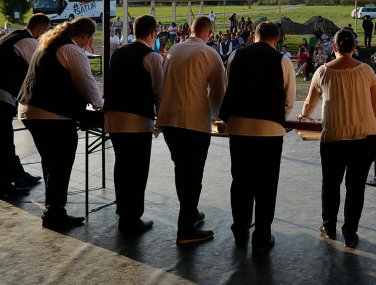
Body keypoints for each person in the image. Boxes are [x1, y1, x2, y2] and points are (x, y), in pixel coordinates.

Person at [17, 17, 104, 229]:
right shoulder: (72, 50)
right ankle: (54, 213)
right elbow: (87, 84)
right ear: (85, 36)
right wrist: (100, 104)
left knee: (50, 163)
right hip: (52, 114)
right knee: (60, 166)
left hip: (29, 110)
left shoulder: (46, 44)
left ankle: (52, 210)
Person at [298, 29, 376, 248]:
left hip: (333, 137)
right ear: (354, 47)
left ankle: (329, 227)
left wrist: (304, 116)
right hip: (366, 137)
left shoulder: (322, 72)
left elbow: (309, 104)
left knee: (331, 184)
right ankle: (350, 234)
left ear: (333, 47)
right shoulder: (367, 70)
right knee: (356, 187)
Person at [219, 21, 295, 253]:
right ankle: (262, 235)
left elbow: (227, 88)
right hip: (270, 130)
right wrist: (277, 117)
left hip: (239, 127)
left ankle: (240, 230)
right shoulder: (282, 60)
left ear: (254, 36)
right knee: (266, 184)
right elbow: (289, 99)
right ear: (276, 39)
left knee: (240, 181)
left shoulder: (235, 56)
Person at [156, 16, 226, 244]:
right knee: (193, 175)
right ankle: (185, 229)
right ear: (209, 32)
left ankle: (191, 212)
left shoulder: (174, 50)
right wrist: (220, 117)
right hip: (194, 123)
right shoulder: (209, 54)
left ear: (191, 30)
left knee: (181, 170)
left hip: (170, 120)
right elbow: (219, 91)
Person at [104, 15, 163, 235]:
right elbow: (160, 94)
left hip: (114, 118)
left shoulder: (118, 52)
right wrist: (162, 122)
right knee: (138, 170)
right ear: (153, 33)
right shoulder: (151, 57)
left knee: (122, 167)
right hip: (137, 120)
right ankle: (133, 218)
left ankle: (123, 213)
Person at [0, 14, 50, 198]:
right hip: (0, 93)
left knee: (1, 138)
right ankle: (1, 186)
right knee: (1, 140)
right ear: (41, 30)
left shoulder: (11, 35)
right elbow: (40, 71)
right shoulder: (29, 42)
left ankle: (17, 175)